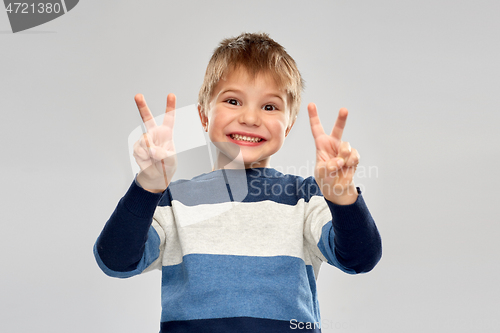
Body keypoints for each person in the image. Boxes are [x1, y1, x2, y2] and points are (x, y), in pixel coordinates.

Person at [94, 32, 382, 333]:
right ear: (204, 116)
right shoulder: (173, 201)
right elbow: (116, 261)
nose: (250, 118)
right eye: (233, 101)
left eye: (269, 107)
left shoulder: (306, 198)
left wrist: (341, 195)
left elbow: (359, 258)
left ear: (289, 124)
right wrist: (148, 186)